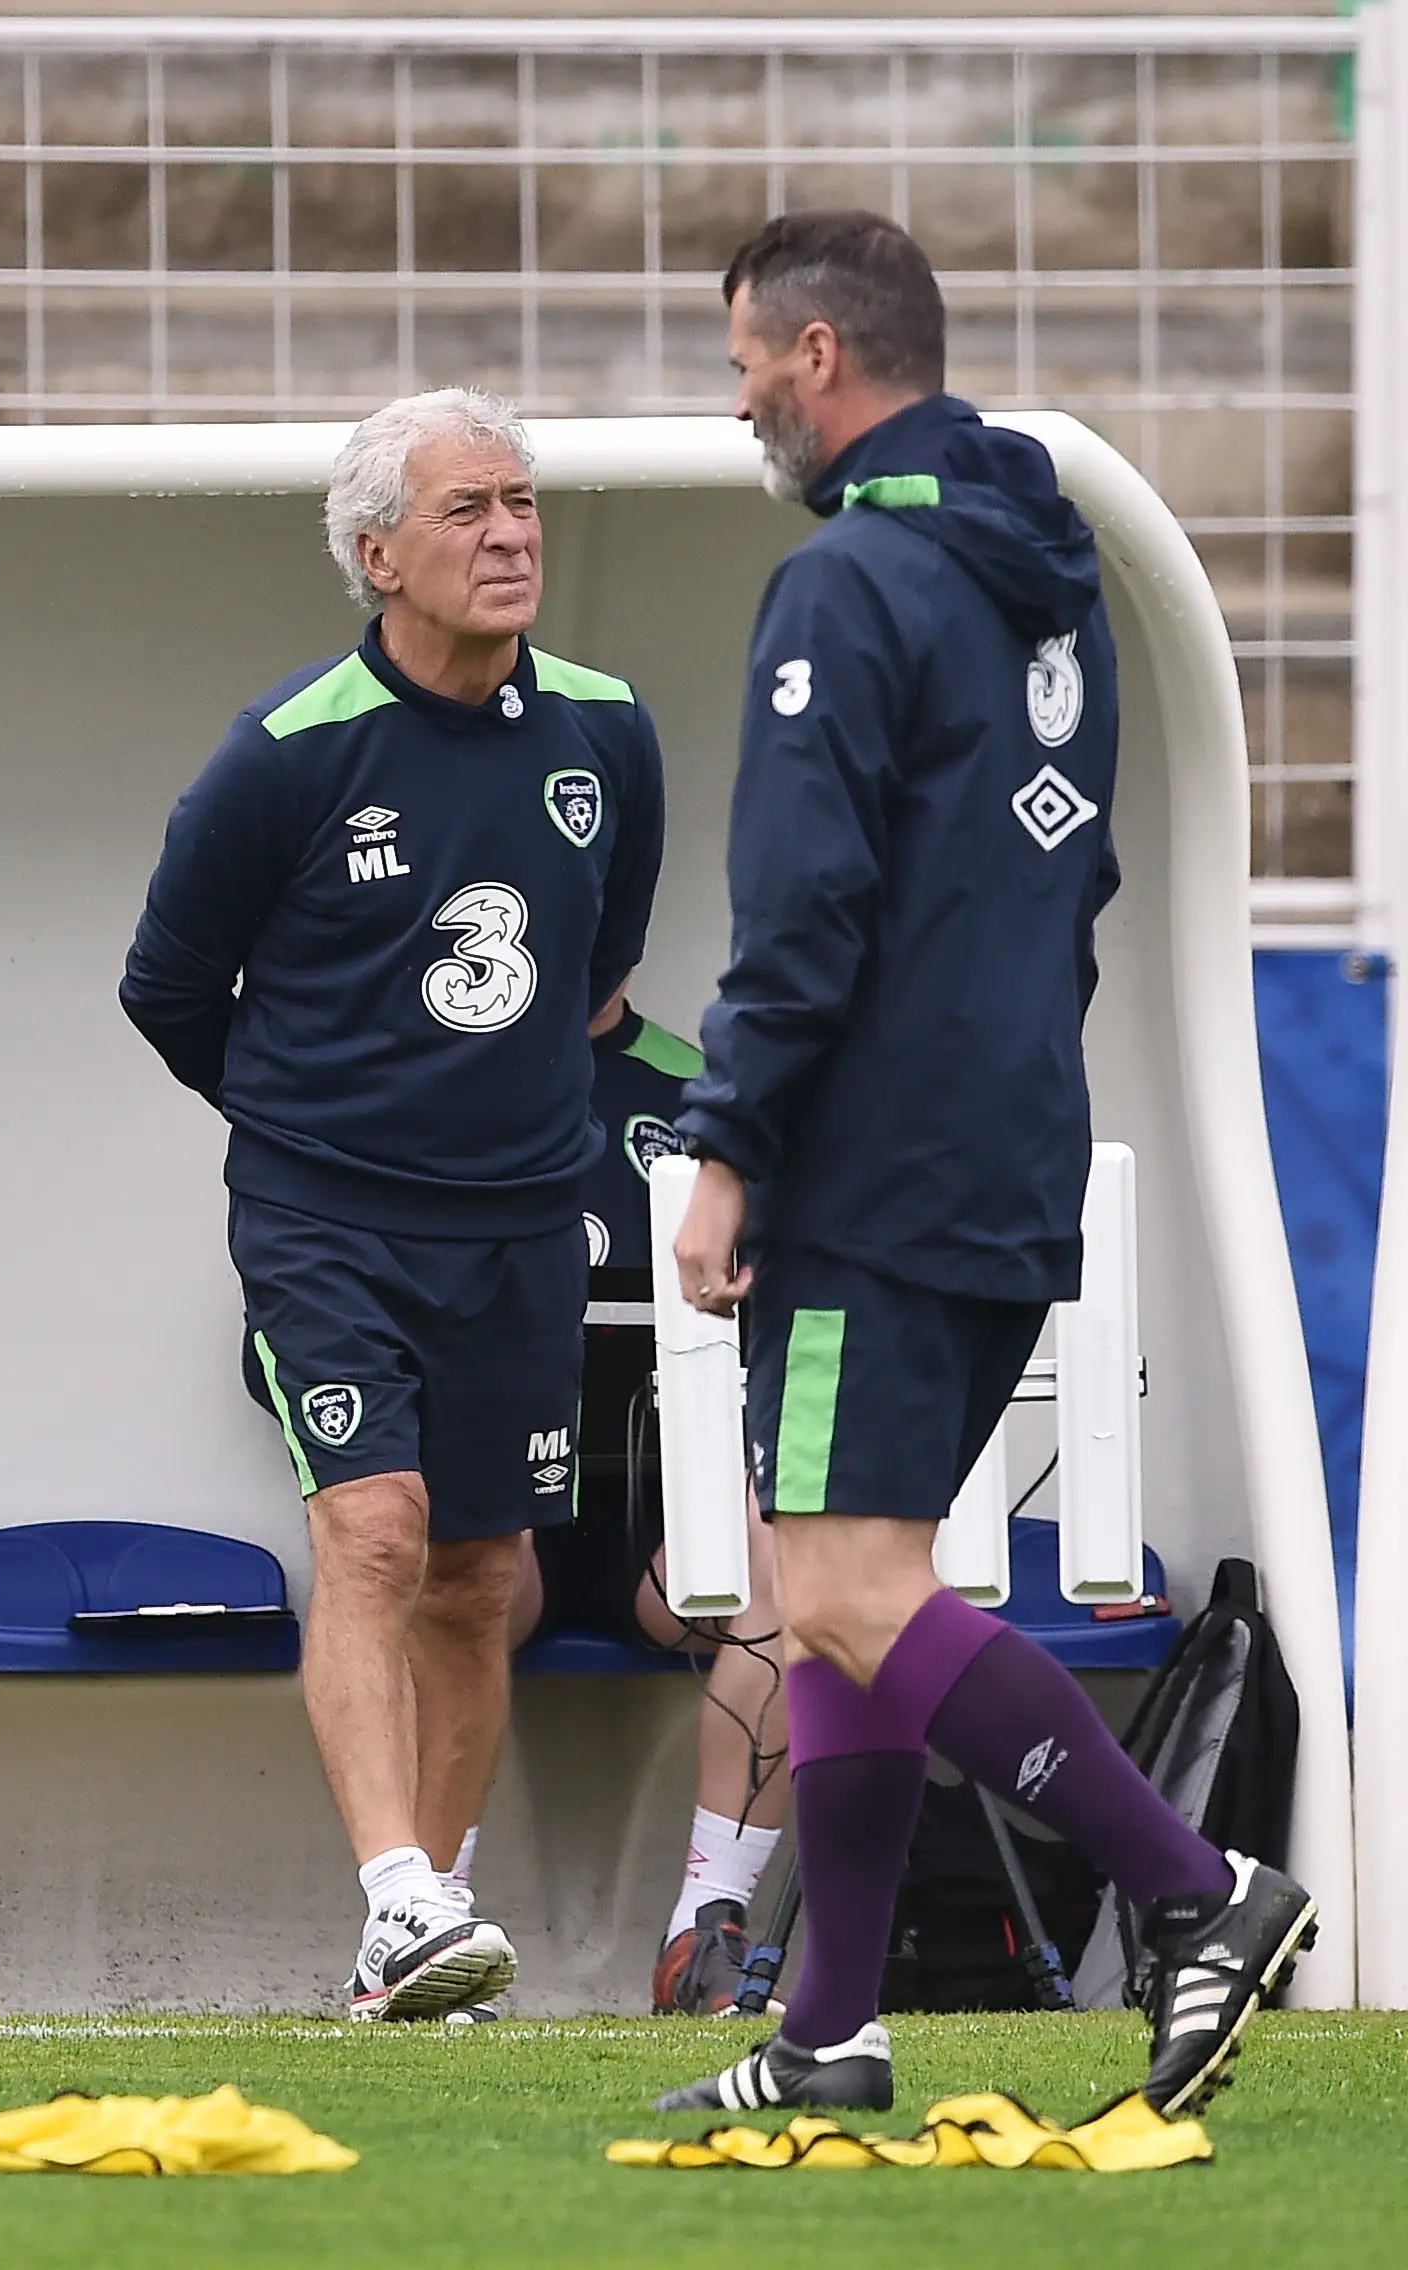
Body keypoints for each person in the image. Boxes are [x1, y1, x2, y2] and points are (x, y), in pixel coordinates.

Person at [660, 210, 1313, 2117]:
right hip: (1011, 1140)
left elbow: (805, 903)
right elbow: (1076, 878)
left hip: (871, 1166)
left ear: (814, 359)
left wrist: (728, 1150)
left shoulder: (848, 586)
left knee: (847, 1592)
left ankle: (1198, 1894)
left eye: (741, 366)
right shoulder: (1054, 582)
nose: (742, 402)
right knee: (841, 1583)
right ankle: (828, 2034)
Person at [121, 389, 664, 2021]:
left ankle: (424, 1926)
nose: (509, 537)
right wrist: (315, 1124)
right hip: (321, 1219)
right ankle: (393, 1896)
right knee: (371, 1533)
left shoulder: (607, 730)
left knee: (481, 1577)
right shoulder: (282, 754)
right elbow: (166, 990)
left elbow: (600, 965)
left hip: (518, 1225)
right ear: (378, 555)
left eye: (521, 505)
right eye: (466, 512)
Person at [516, 994, 790, 2015]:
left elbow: (792, 1324)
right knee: (413, 1556)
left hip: (673, 1510)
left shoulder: (700, 1091)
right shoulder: (436, 1065)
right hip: (502, 1497)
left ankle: (706, 1925)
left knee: (794, 1580)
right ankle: (425, 1915)